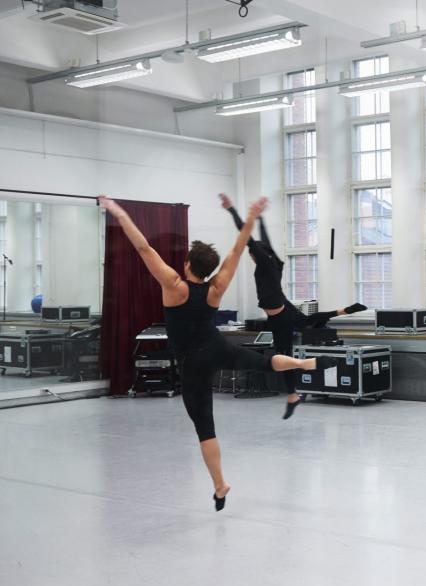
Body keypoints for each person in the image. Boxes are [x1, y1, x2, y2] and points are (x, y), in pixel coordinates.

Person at [99, 195, 333, 511]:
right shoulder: (216, 288)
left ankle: (220, 484)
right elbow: (237, 250)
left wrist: (118, 212)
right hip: (217, 347)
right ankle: (303, 362)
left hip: (192, 362)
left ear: (187, 264)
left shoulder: (173, 285)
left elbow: (143, 248)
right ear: (209, 269)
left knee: (205, 427)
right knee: (263, 362)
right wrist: (250, 216)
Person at [219, 194, 366, 419]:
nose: (250, 255)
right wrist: (261, 219)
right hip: (283, 307)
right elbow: (264, 240)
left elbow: (245, 235)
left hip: (279, 316)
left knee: (283, 357)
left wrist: (232, 210)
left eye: (251, 253)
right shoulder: (275, 261)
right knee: (306, 323)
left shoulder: (264, 262)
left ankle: (292, 395)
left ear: (255, 254)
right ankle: (342, 311)